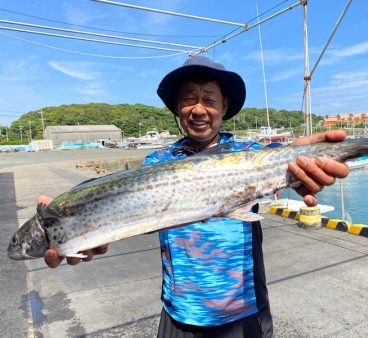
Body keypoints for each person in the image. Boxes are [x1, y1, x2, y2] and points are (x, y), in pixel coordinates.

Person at [42, 56, 349, 337]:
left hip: (244, 311)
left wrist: (301, 164)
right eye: (189, 99)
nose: (199, 109)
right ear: (178, 108)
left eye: (209, 100)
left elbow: (283, 164)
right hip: (181, 312)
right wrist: (95, 233)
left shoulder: (249, 154)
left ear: (224, 107)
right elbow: (135, 216)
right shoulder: (158, 162)